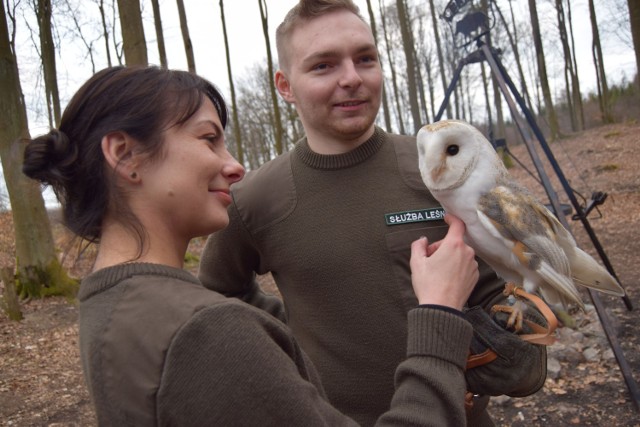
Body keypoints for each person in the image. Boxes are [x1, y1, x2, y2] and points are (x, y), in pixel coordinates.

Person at [23, 65, 482, 426]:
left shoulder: (108, 302)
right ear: (125, 155)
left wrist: (291, 332)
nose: (235, 166)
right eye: (208, 139)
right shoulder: (208, 332)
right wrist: (439, 315)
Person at [198, 1, 548, 426]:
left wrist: (525, 325)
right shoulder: (254, 198)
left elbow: (496, 288)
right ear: (285, 85)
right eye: (323, 66)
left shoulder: (439, 174)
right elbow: (219, 293)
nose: (352, 78)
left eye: (365, 58)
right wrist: (291, 334)